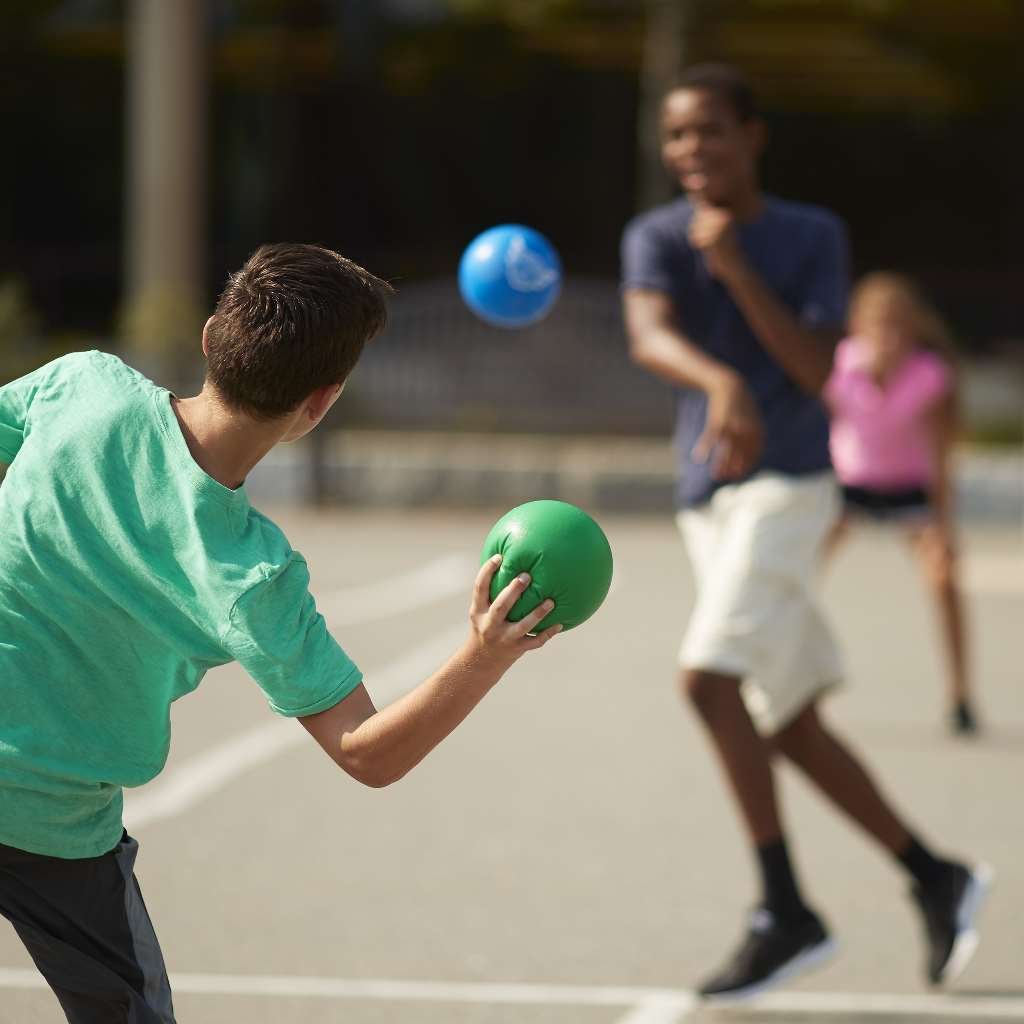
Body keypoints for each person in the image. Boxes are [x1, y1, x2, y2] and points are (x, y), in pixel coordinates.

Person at [0, 243, 562, 1024]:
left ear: (207, 336)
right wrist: (484, 653)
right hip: (51, 826)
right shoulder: (254, 577)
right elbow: (367, 752)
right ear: (319, 404)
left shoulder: (81, 384)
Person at [620, 63, 990, 1000]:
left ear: (753, 136)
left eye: (709, 131)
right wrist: (719, 383)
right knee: (788, 725)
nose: (690, 151)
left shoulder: (808, 236)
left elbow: (822, 369)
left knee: (708, 683)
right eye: (676, 136)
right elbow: (646, 334)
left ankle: (783, 909)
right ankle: (934, 874)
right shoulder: (655, 235)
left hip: (791, 490)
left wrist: (737, 268)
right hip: (708, 501)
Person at [824, 272, 978, 735]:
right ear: (857, 326)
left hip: (909, 490)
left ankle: (961, 693)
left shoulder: (929, 375)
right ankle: (785, 683)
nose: (886, 335)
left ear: (913, 329)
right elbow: (822, 425)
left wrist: (944, 524)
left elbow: (941, 453)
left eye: (896, 324)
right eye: (876, 324)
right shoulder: (843, 364)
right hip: (849, 487)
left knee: (944, 579)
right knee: (792, 574)